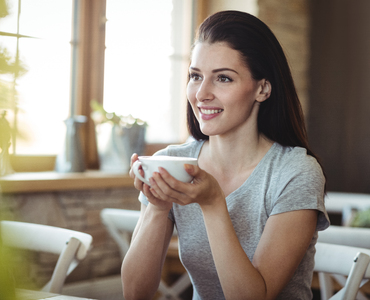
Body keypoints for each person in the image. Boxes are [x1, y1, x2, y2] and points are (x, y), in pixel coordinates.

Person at [122, 10, 330, 300]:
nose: (201, 93)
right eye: (196, 76)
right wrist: (157, 208)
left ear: (262, 88)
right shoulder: (174, 163)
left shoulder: (295, 172)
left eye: (223, 78)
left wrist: (212, 204)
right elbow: (134, 293)